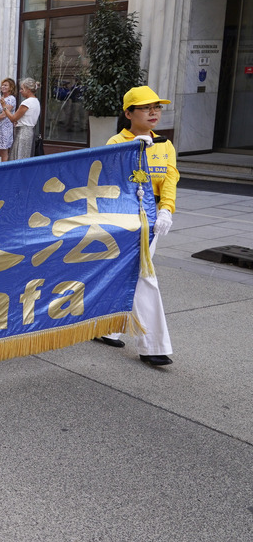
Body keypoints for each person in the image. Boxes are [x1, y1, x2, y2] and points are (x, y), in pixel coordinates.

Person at [95, 86, 178, 366]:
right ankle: (153, 346)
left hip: (154, 218)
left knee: (129, 273)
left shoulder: (165, 145)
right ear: (129, 113)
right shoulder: (116, 142)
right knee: (144, 275)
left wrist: (166, 210)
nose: (153, 113)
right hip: (127, 218)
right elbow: (111, 182)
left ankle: (107, 327)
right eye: (145, 108)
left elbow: (170, 179)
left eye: (157, 107)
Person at [0, 78, 40, 160]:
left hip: (22, 132)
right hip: (29, 131)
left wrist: (4, 106)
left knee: (19, 157)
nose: (20, 91)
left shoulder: (27, 102)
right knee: (24, 156)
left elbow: (13, 118)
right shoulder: (36, 101)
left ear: (28, 90)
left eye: (22, 89)